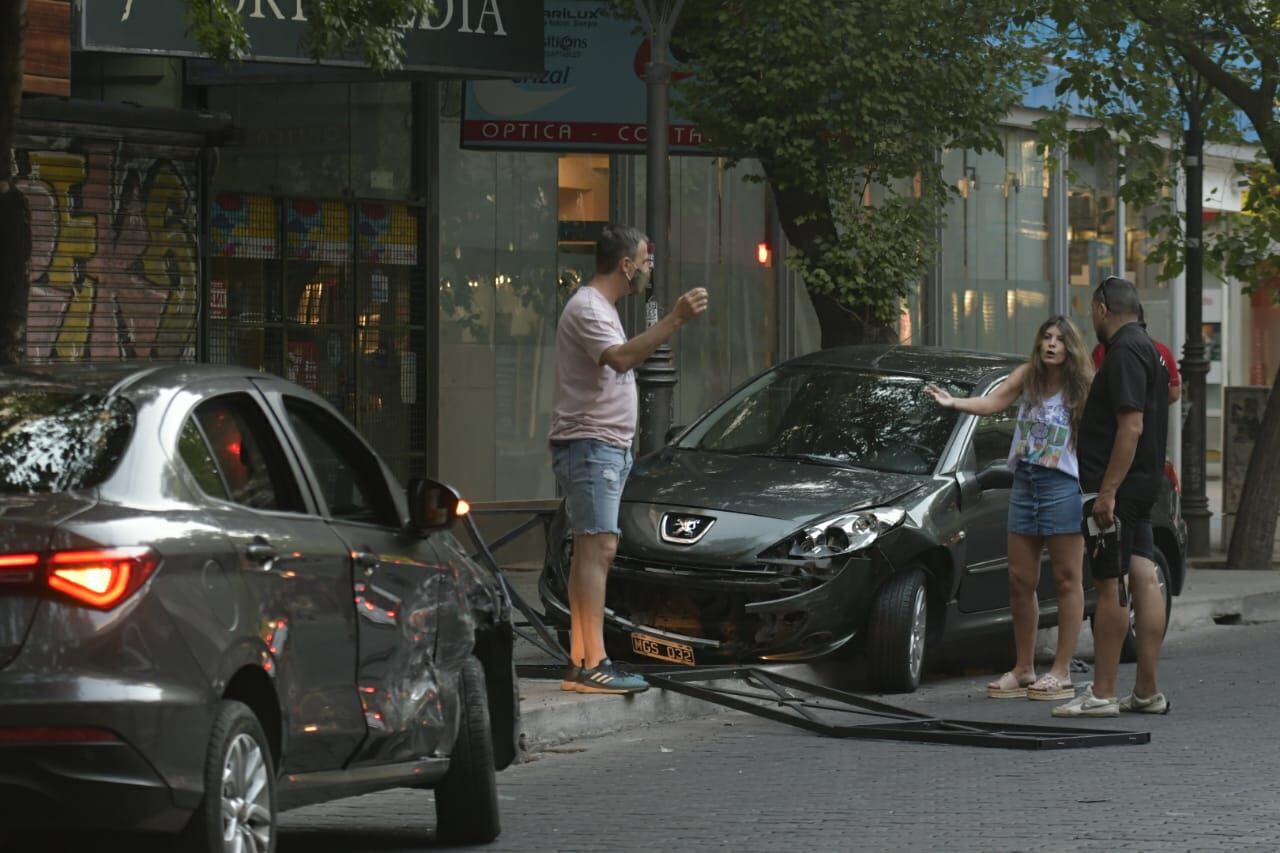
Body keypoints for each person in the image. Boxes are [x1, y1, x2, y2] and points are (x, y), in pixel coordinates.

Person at [550, 223, 709, 694]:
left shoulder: (602, 308)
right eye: (645, 260)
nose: (648, 268)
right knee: (597, 549)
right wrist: (675, 318)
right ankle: (592, 661)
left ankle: (585, 658)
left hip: (604, 446)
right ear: (626, 265)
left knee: (594, 548)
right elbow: (619, 359)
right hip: (590, 445)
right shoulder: (588, 308)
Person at [927, 316, 1093, 701]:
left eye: (1059, 339)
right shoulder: (1027, 376)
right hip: (1025, 483)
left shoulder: (1081, 386)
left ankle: (1061, 671)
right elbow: (995, 401)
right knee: (1020, 580)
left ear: (1071, 347)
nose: (1051, 344)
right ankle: (1023, 668)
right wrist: (954, 402)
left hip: (1061, 485)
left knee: (1068, 579)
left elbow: (1105, 428)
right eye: (1046, 337)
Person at [1054, 275, 1171, 717]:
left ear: (1103, 308)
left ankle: (1101, 693)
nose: (1092, 319)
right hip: (1142, 485)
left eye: (1092, 311)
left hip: (1117, 490)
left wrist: (1107, 493)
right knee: (1142, 575)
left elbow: (1131, 426)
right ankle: (1145, 691)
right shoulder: (1152, 351)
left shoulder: (1122, 352)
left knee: (1110, 586)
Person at [1091, 305, 1181, 405]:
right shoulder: (1161, 351)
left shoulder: (1102, 350)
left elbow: (1091, 385)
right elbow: (1174, 392)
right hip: (1152, 418)